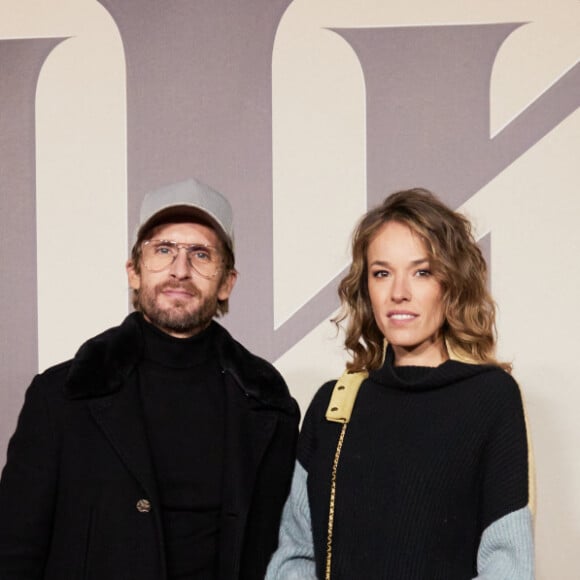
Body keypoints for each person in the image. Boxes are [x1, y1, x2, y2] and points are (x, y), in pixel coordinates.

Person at [0, 177, 299, 580]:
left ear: (227, 281)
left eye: (201, 254)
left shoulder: (269, 405)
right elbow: (14, 551)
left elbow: (283, 555)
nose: (180, 270)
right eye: (163, 250)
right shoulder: (62, 397)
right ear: (134, 272)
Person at [266, 188, 534, 579]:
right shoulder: (334, 404)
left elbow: (506, 565)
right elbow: (296, 556)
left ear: (452, 285)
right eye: (382, 273)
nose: (399, 293)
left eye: (422, 272)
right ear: (366, 288)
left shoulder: (490, 397)